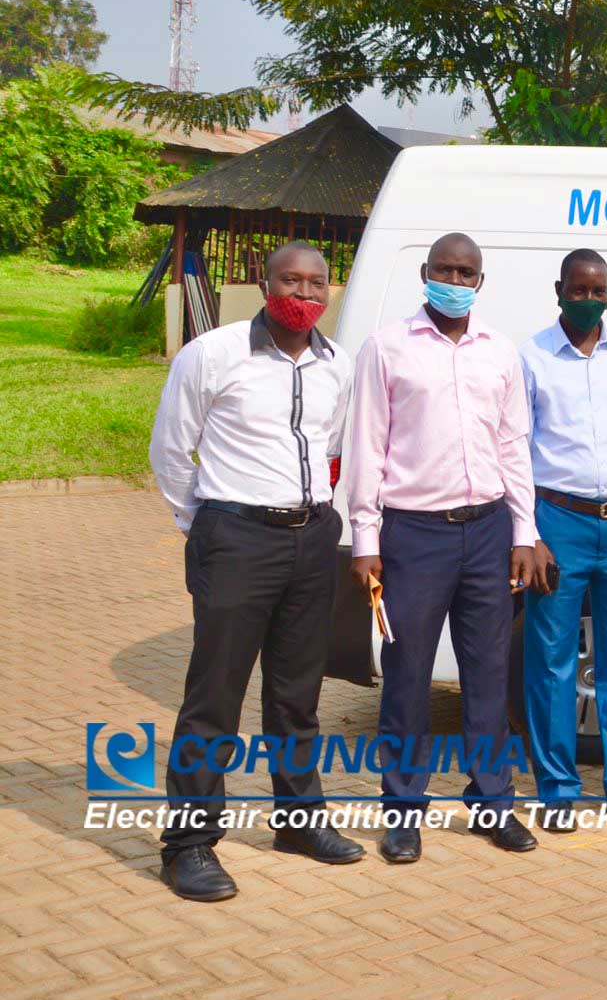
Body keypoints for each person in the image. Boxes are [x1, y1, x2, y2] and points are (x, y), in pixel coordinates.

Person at [146, 242, 362, 901]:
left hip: (312, 538)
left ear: (330, 290)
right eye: (290, 279)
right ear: (264, 284)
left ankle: (298, 823)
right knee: (214, 699)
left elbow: (329, 447)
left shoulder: (338, 365)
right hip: (235, 537)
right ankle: (188, 845)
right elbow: (170, 447)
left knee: (297, 697)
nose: (304, 292)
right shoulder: (212, 355)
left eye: (316, 282)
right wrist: (207, 524)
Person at [347, 232, 539, 863]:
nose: (455, 281)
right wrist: (365, 538)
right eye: (445, 270)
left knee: (488, 676)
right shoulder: (387, 348)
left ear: (480, 282)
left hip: (486, 532)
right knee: (407, 677)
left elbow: (513, 446)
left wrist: (523, 531)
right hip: (413, 535)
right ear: (425, 273)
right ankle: (402, 811)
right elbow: (367, 445)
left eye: (467, 273)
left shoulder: (500, 353)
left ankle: (493, 803)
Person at [518, 249, 607, 832]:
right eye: (578, 290)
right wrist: (526, 531)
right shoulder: (530, 357)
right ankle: (557, 791)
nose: (588, 299)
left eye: (597, 289)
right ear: (559, 290)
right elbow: (515, 446)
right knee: (551, 660)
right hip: (559, 522)